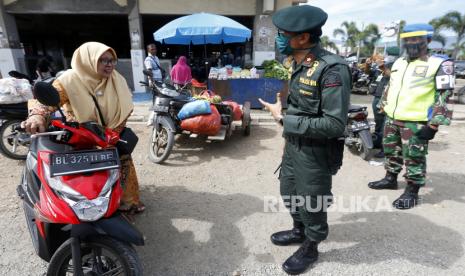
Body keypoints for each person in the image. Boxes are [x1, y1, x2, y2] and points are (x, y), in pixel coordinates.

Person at [258, 5, 351, 275]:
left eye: (283, 34)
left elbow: (334, 124)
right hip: (295, 145)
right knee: (289, 191)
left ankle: (311, 245)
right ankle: (299, 230)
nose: (279, 39)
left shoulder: (332, 69)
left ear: (303, 38)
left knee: (312, 199)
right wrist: (288, 134)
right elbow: (303, 107)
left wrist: (283, 119)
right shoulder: (298, 62)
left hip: (316, 150)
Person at [22, 42, 145, 213]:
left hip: (111, 137)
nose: (109, 65)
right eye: (102, 60)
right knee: (81, 178)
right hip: (82, 138)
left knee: (123, 163)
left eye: (112, 60)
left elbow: (127, 107)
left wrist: (114, 130)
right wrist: (37, 115)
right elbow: (47, 102)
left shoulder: (118, 80)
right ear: (88, 60)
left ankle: (126, 202)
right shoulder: (69, 80)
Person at [368, 24, 455, 209]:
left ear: (428, 41)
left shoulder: (439, 63)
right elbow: (391, 86)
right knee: (391, 151)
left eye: (417, 39)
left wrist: (434, 125)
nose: (411, 43)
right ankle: (390, 178)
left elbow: (444, 96)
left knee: (414, 157)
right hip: (392, 118)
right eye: (408, 39)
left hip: (416, 122)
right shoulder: (400, 62)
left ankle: (412, 191)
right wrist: (384, 105)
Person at [370, 57, 394, 158]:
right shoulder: (380, 72)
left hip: (388, 100)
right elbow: (368, 72)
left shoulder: (392, 72)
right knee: (378, 124)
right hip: (377, 98)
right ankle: (377, 142)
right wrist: (367, 65)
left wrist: (383, 67)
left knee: (386, 126)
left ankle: (385, 150)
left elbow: (391, 75)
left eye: (386, 64)